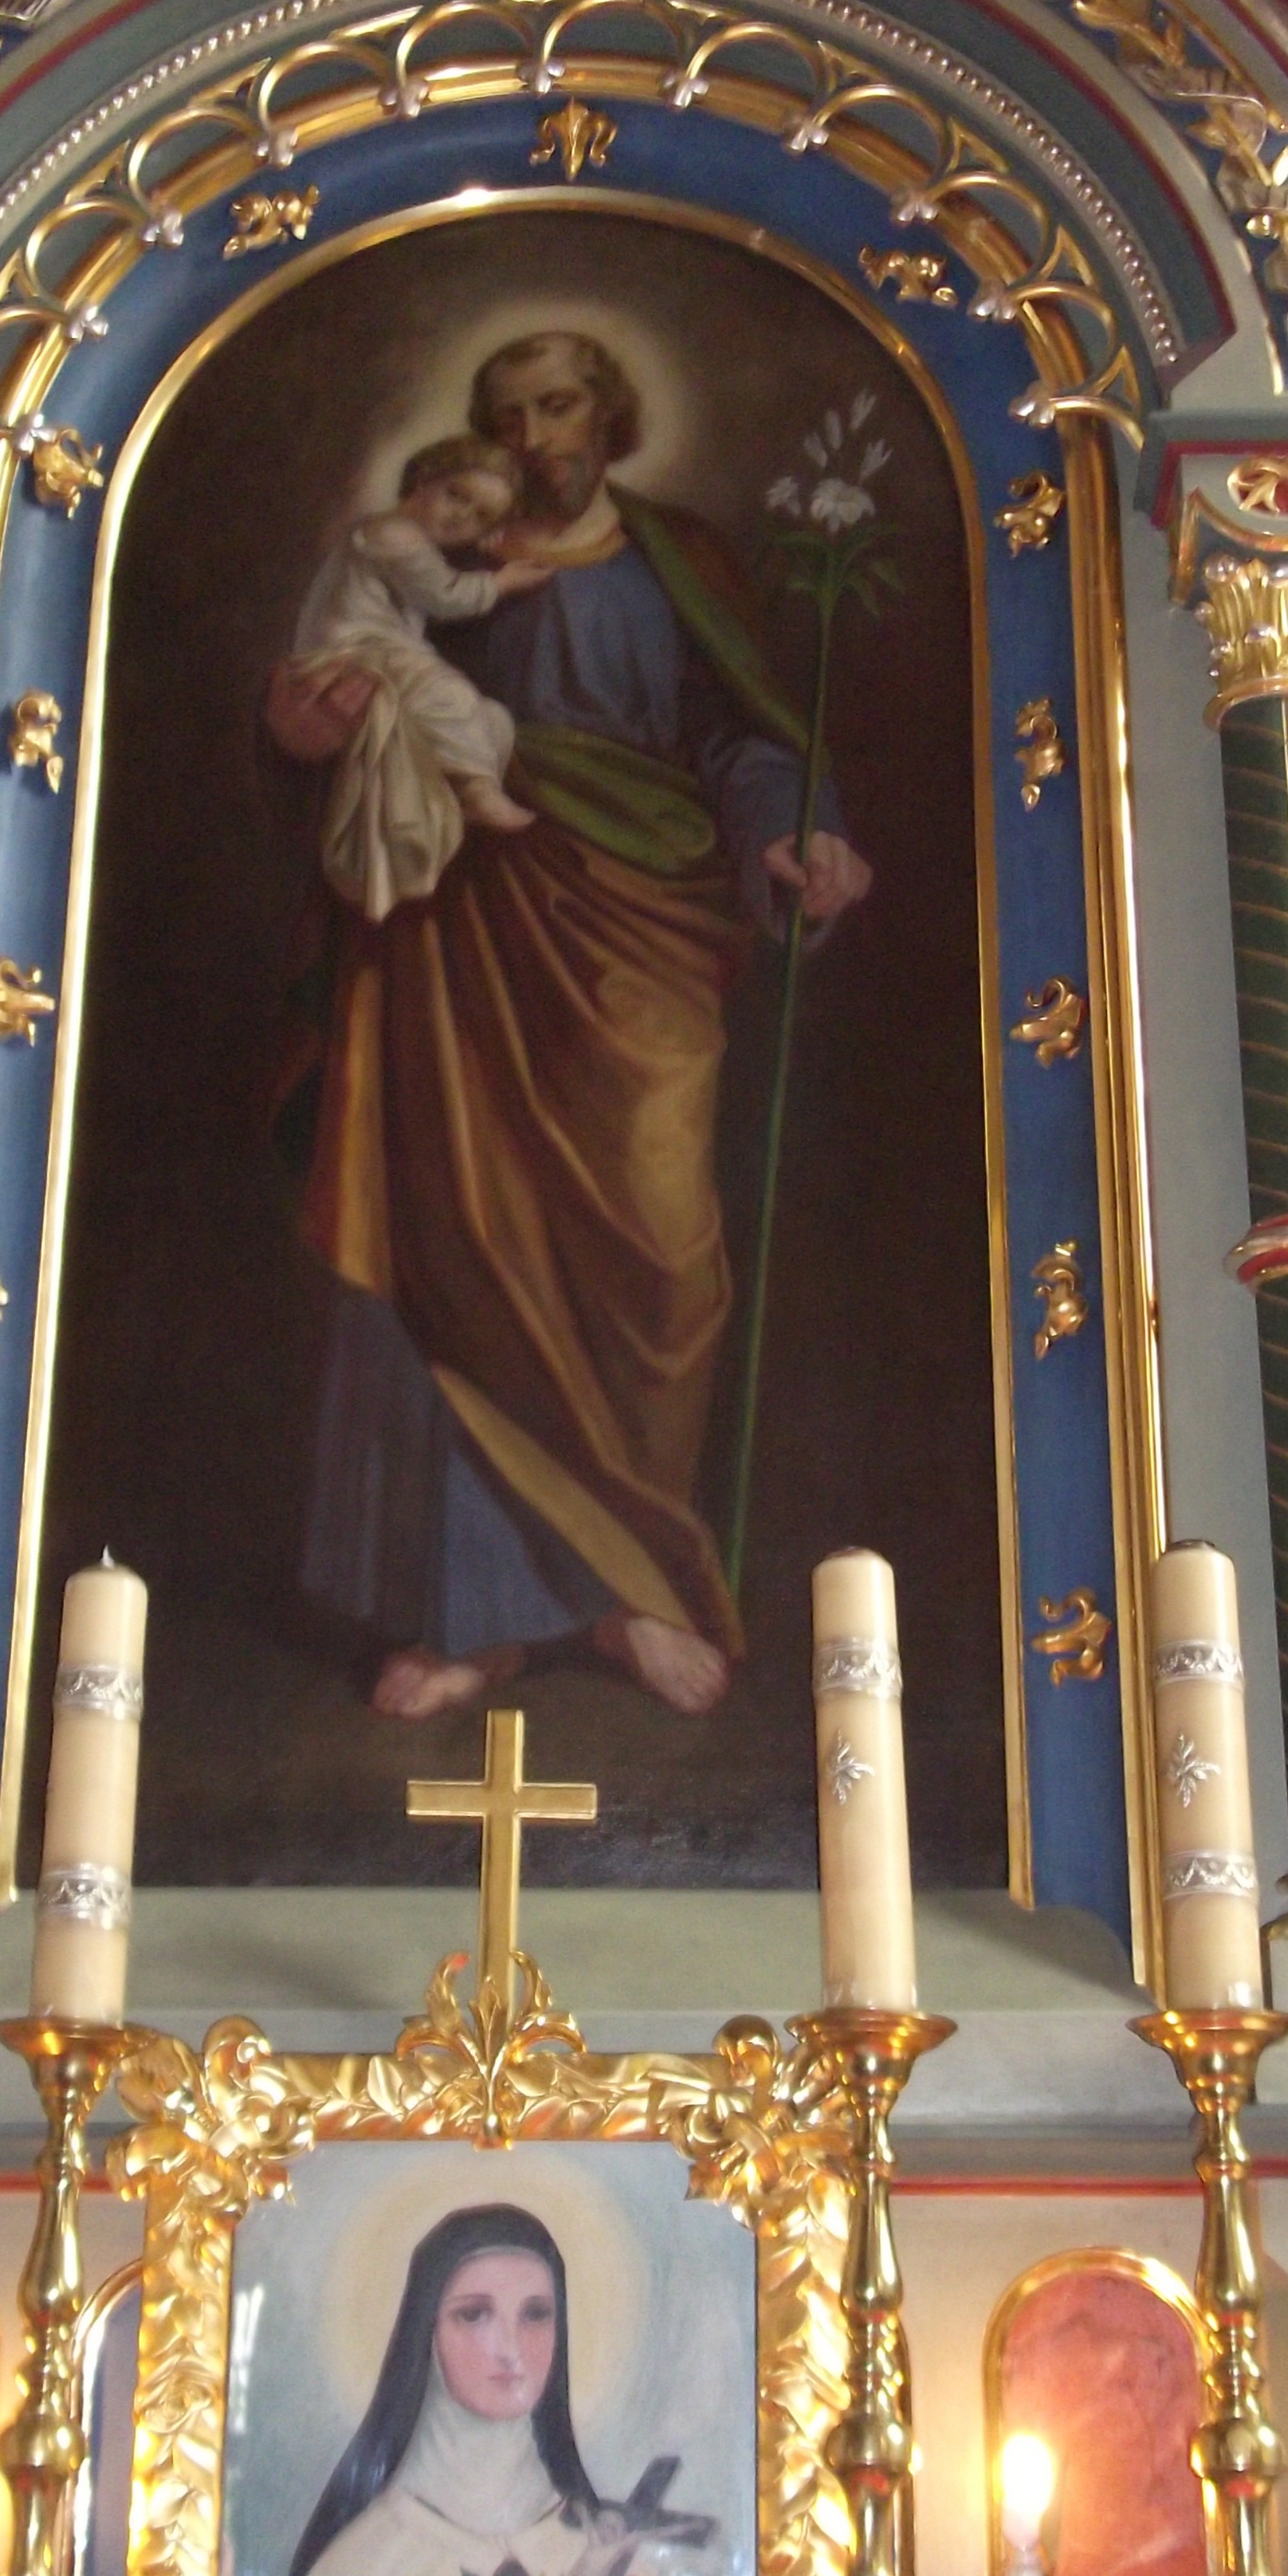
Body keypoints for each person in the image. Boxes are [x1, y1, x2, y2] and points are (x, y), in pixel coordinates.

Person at [269, 328, 873, 1722]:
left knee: (658, 1249)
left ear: (609, 414)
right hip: (457, 919)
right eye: (507, 417)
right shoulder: (446, 553)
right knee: (448, 1239)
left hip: (641, 913)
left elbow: (741, 733)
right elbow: (348, 673)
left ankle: (630, 1586)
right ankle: (470, 1612)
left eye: (557, 406)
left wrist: (792, 830)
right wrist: (308, 722)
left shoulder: (677, 561)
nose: (535, 437)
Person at [263, 2205, 741, 2576]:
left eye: (536, 2315)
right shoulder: (361, 2568)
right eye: (474, 2315)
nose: (510, 2347)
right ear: (426, 2334)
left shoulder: (609, 2556)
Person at [296, 435, 544, 925]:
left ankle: (465, 795)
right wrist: (503, 581)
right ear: (424, 478)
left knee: (492, 720)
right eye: (457, 495)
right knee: (446, 695)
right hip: (352, 652)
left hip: (384, 650)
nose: (461, 518)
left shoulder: (411, 539)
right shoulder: (393, 534)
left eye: (480, 517)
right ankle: (476, 792)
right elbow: (446, 596)